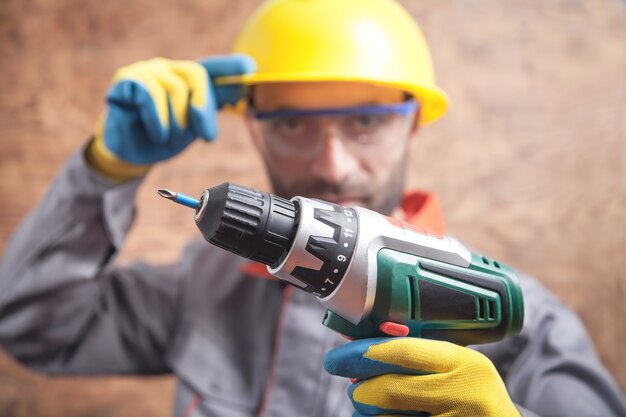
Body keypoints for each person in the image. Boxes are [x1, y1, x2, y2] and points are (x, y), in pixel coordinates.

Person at [0, 0, 624, 416]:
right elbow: (30, 323)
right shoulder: (205, 285)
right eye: (293, 123)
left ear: (413, 124)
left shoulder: (521, 320)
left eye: (365, 120)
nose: (332, 166)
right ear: (253, 129)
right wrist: (108, 168)